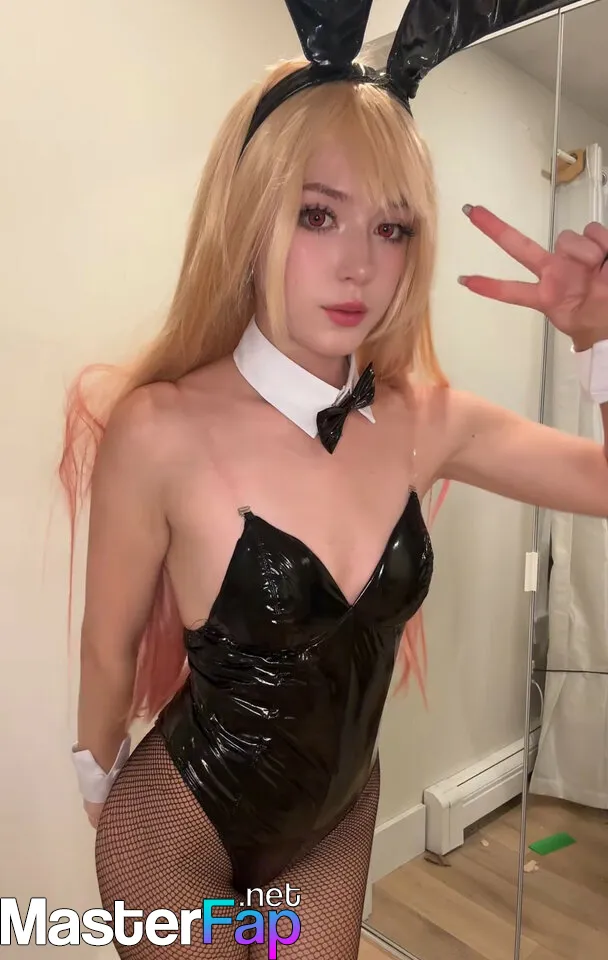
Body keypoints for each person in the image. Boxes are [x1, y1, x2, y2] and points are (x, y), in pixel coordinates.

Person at [61, 2, 608, 957]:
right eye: (319, 215)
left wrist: (598, 342)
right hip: (178, 833)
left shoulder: (427, 420)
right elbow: (106, 651)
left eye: (392, 228)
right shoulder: (163, 429)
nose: (359, 264)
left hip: (337, 821)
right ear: (253, 216)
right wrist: (100, 796)